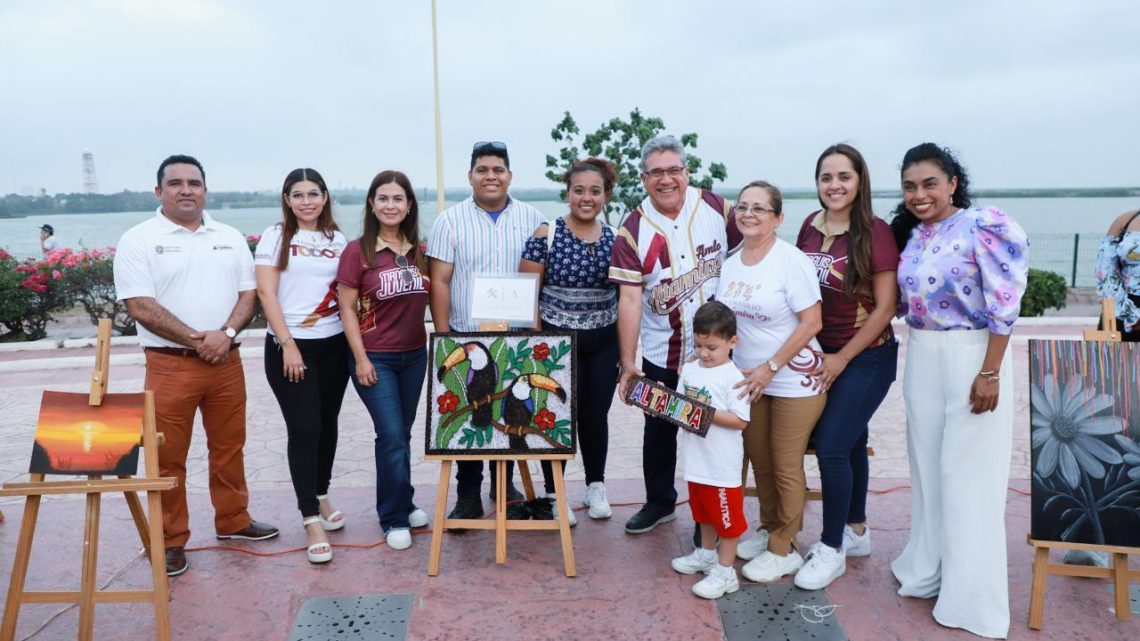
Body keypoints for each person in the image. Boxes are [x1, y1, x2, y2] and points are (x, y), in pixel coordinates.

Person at [113, 155, 278, 577]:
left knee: (229, 446)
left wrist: (225, 334)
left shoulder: (228, 236)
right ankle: (170, 540)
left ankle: (234, 520)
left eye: (194, 182)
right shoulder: (138, 239)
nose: (186, 189)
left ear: (205, 189)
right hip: (170, 364)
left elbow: (249, 294)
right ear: (159, 192)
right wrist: (197, 339)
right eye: (175, 183)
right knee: (168, 455)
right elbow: (140, 306)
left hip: (226, 360)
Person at [888, 143, 1028, 639]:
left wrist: (989, 372)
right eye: (910, 186)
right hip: (922, 355)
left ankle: (973, 602)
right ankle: (927, 570)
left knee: (965, 477)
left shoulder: (984, 224)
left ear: (952, 182)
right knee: (927, 469)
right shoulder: (914, 234)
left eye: (929, 183)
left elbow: (1005, 302)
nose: (919, 194)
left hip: (974, 357)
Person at [610, 134, 741, 535]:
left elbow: (748, 259)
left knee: (724, 428)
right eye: (656, 173)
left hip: (719, 351)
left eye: (673, 170)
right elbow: (629, 300)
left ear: (687, 172)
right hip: (661, 347)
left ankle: (726, 506)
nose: (666, 180)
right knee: (660, 429)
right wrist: (629, 362)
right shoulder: (632, 229)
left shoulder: (718, 207)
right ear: (643, 178)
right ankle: (660, 502)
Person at [792, 144, 899, 590]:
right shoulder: (808, 228)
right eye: (826, 177)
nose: (834, 185)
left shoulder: (874, 232)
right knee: (852, 442)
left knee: (833, 447)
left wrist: (842, 359)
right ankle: (856, 530)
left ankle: (831, 548)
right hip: (824, 352)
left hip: (867, 355)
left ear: (860, 182)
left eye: (844, 177)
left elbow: (886, 307)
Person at [427, 141, 548, 522]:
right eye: (483, 170)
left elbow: (542, 280)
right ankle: (467, 496)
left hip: (516, 339)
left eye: (498, 169)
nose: (490, 176)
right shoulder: (449, 221)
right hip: (468, 336)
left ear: (509, 175)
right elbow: (440, 281)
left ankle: (503, 487)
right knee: (470, 416)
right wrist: (445, 335)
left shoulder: (535, 220)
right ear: (470, 176)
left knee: (509, 411)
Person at [715, 179, 826, 582]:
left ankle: (785, 547)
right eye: (743, 206)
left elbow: (813, 322)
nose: (748, 214)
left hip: (792, 378)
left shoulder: (790, 261)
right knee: (760, 462)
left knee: (784, 464)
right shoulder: (729, 262)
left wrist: (771, 366)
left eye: (760, 208)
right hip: (750, 380)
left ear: (778, 218)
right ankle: (768, 529)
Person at [254, 168, 349, 564]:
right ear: (287, 200)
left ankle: (322, 495)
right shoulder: (276, 236)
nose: (306, 201)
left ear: (325, 197)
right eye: (298, 195)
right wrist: (288, 343)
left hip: (334, 345)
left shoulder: (338, 239)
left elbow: (346, 293)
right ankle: (309, 516)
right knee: (305, 428)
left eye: (313, 193)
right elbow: (266, 292)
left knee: (328, 425)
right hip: (291, 348)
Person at [519, 158, 621, 525]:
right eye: (579, 190)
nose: (586, 197)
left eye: (595, 191)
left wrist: (626, 353)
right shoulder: (546, 236)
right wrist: (537, 345)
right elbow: (527, 296)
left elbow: (625, 297)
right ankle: (554, 493)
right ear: (568, 193)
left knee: (595, 417)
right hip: (555, 343)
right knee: (554, 416)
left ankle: (596, 485)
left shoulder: (616, 238)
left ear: (606, 194)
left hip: (603, 342)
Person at [338, 170, 431, 550]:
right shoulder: (358, 251)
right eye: (383, 199)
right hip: (375, 356)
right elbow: (345, 307)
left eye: (398, 199)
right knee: (390, 435)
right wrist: (360, 358)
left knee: (402, 434)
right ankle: (392, 518)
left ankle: (404, 501)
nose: (391, 205)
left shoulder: (418, 251)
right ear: (372, 205)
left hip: (415, 355)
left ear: (409, 205)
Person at [668, 301, 751, 599]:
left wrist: (705, 413)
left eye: (712, 347)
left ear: (732, 342)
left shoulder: (734, 377)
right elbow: (679, 406)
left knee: (727, 523)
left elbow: (741, 420)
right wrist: (662, 408)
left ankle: (726, 572)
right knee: (702, 513)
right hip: (696, 460)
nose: (704, 353)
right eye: (700, 345)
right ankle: (705, 555)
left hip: (722, 465)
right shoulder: (690, 368)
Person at [1094, 207, 1140, 341]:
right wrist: (1130, 315)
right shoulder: (1126, 220)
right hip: (1121, 309)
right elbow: (1105, 269)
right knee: (1115, 361)